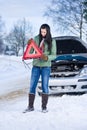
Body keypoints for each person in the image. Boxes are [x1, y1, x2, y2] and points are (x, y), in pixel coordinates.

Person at [24, 24, 56, 113]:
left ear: (48, 31)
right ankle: (30, 106)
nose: (43, 33)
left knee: (45, 86)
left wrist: (47, 57)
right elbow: (30, 52)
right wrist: (29, 44)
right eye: (41, 31)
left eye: (44, 32)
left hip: (46, 67)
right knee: (32, 86)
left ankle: (44, 107)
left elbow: (54, 55)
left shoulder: (52, 41)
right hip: (36, 66)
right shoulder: (36, 38)